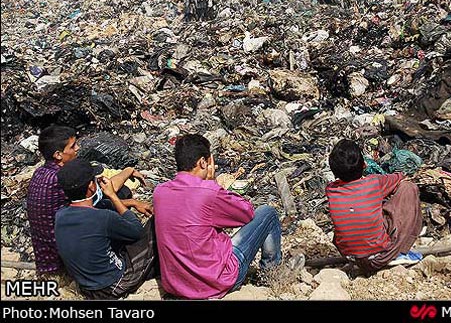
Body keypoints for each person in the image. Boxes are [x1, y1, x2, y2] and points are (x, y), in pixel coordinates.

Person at [153, 133, 282, 299]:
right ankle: (270, 274)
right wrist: (212, 182)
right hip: (217, 283)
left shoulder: (160, 192)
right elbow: (246, 213)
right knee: (267, 213)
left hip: (176, 286)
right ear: (202, 162)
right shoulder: (207, 192)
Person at [26, 125, 151, 274]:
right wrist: (131, 190)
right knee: (123, 213)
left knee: (119, 195)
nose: (78, 148)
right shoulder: (61, 179)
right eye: (73, 146)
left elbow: (100, 187)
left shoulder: (42, 172)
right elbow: (105, 191)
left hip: (50, 250)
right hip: (64, 255)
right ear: (58, 154)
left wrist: (127, 173)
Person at [55, 159, 159, 299]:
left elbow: (101, 205)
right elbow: (137, 231)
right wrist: (112, 195)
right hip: (112, 285)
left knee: (108, 216)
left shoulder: (60, 215)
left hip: (86, 285)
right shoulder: (103, 218)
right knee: (154, 224)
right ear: (91, 186)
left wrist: (132, 202)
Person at [326, 139, 423, 275]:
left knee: (352, 213)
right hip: (380, 258)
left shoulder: (331, 190)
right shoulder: (374, 183)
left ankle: (364, 252)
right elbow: (398, 178)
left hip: (351, 257)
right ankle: (400, 251)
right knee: (408, 188)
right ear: (364, 165)